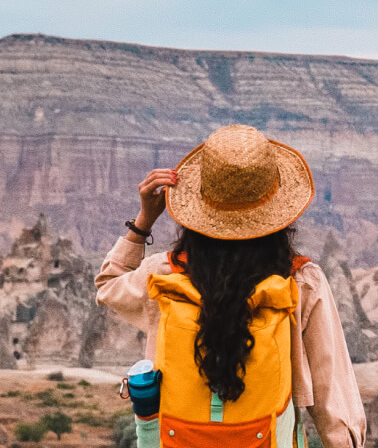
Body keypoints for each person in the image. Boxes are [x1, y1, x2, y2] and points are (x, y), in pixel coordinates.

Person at [97, 125, 364, 447]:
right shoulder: (301, 282)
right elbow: (332, 392)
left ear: (196, 207)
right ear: (279, 212)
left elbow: (107, 286)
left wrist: (142, 224)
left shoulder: (163, 275)